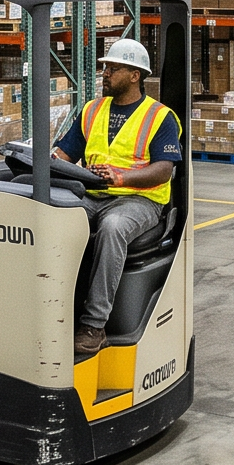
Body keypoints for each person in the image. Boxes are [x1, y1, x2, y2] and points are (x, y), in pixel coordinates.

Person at [53, 37, 182, 359]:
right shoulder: (91, 110)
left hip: (139, 201)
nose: (105, 74)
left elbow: (163, 170)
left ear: (135, 75)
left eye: (113, 68)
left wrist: (121, 177)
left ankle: (94, 326)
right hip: (92, 194)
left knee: (112, 228)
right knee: (53, 217)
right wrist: (44, 160)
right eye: (106, 68)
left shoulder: (160, 116)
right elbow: (64, 154)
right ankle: (53, 308)